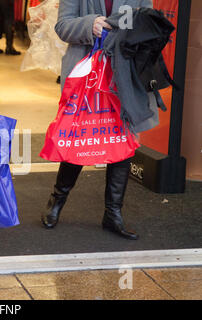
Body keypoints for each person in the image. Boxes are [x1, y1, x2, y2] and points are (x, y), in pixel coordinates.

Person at [41, 0, 154, 240]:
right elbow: (62, 26)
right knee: (79, 137)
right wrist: (89, 25)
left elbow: (147, 26)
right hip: (85, 74)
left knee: (121, 140)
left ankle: (113, 213)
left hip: (123, 75)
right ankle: (57, 200)